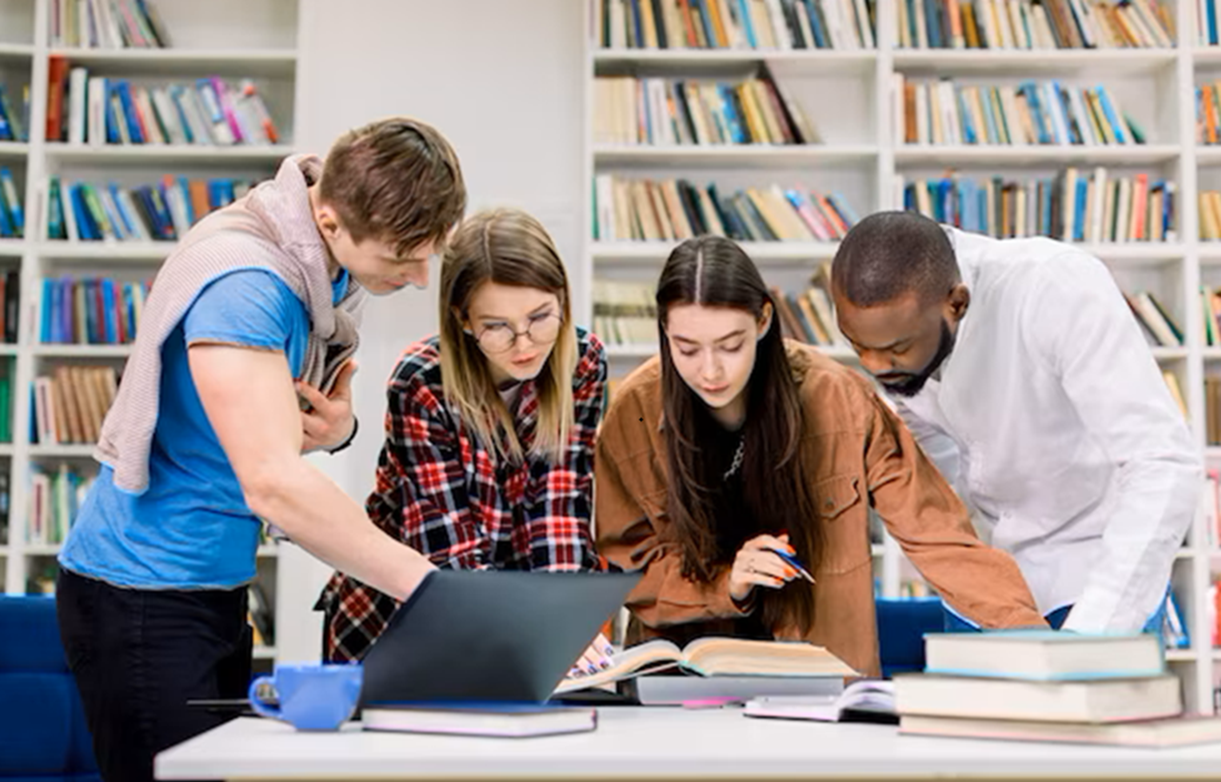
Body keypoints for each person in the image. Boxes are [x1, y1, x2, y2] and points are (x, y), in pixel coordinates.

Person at [55, 117, 466, 782]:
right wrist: (428, 588)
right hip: (140, 591)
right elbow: (272, 483)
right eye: (401, 258)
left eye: (429, 252)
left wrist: (339, 433)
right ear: (330, 222)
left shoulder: (315, 265)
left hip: (210, 583)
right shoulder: (247, 283)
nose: (422, 277)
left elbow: (264, 433)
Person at [594, 235, 1046, 678]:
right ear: (664, 332)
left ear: (765, 319)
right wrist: (726, 583)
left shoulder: (838, 398)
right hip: (677, 688)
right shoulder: (633, 412)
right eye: (686, 349)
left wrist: (1040, 647)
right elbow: (628, 567)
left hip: (819, 684)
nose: (710, 370)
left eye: (731, 345)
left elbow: (939, 536)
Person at [829, 211, 1201, 634]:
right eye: (857, 345)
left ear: (957, 304)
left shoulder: (1055, 288)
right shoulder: (905, 332)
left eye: (897, 348)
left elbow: (1161, 461)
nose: (875, 365)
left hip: (1097, 573)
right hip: (997, 580)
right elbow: (940, 468)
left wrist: (1094, 636)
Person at [322, 208, 611, 674]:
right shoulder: (421, 382)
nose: (525, 344)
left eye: (540, 317)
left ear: (563, 298)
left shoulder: (582, 363)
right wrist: (539, 631)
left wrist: (564, 625)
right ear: (463, 320)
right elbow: (449, 556)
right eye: (497, 326)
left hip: (522, 620)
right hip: (400, 624)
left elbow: (560, 508)